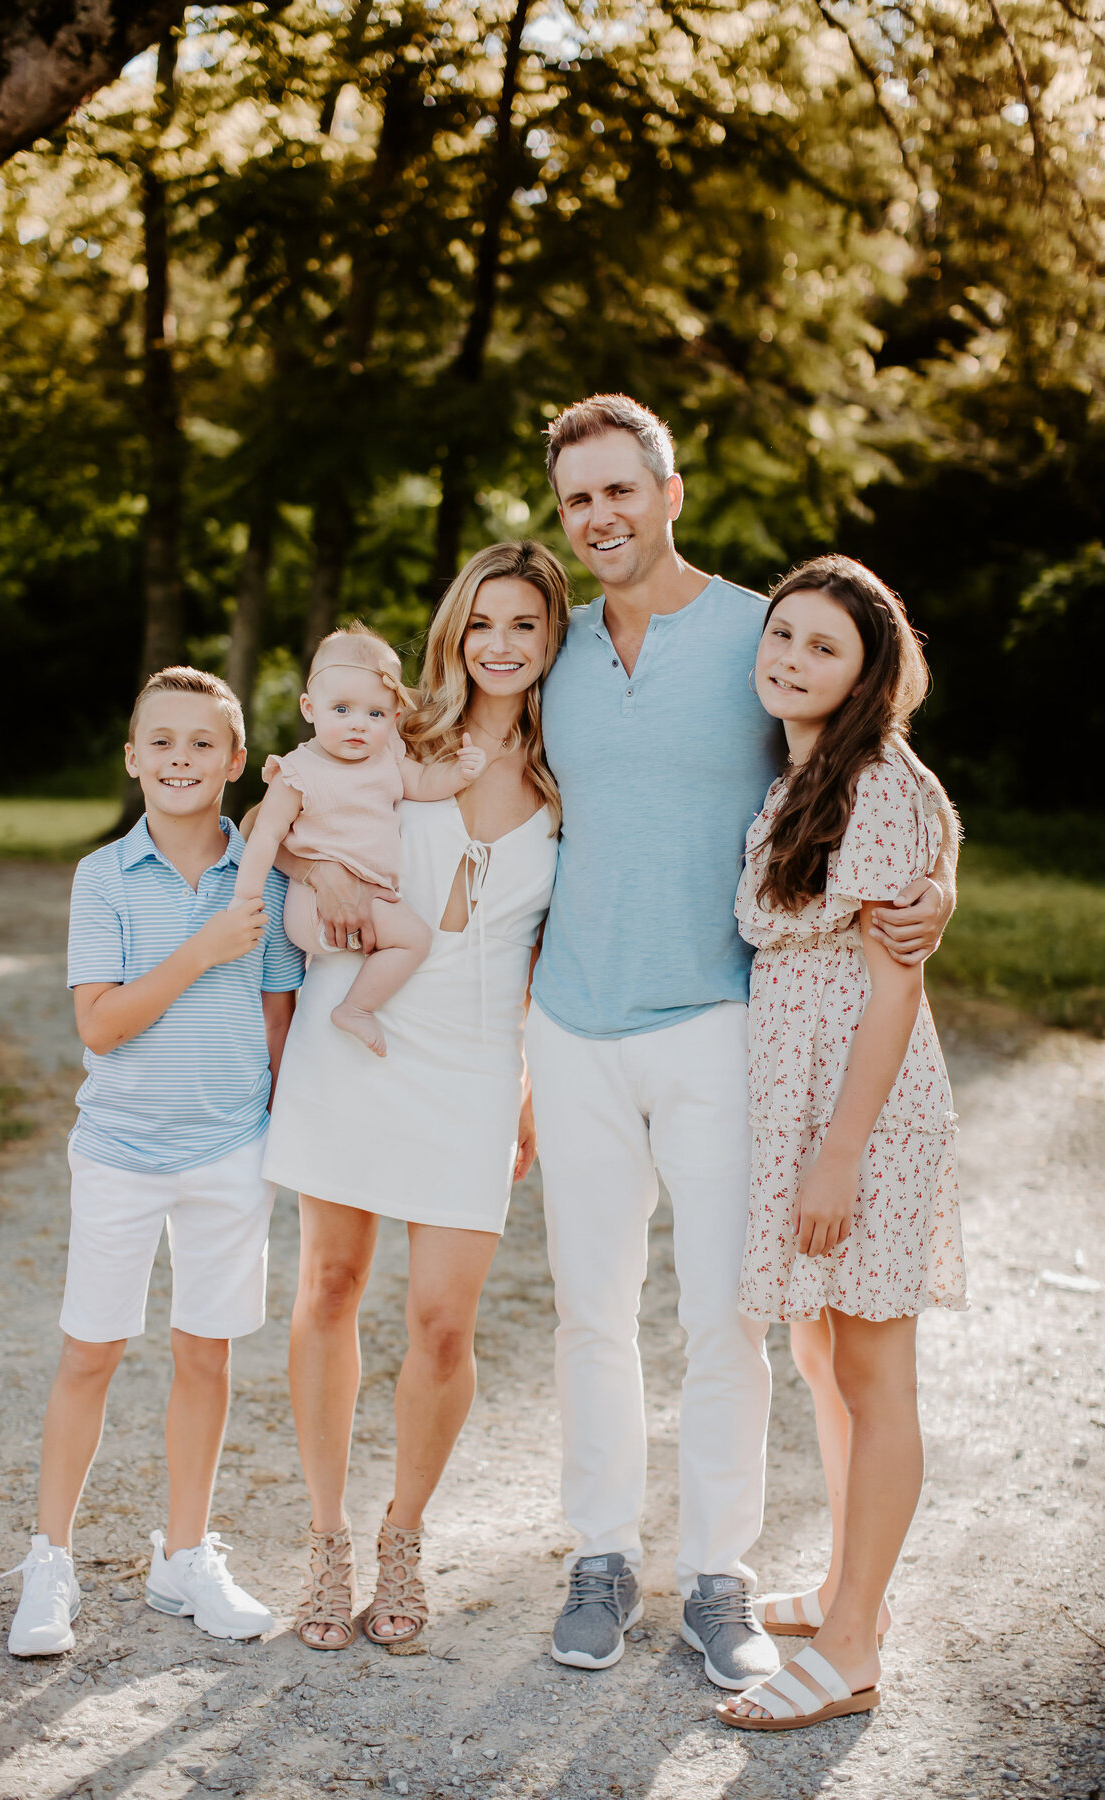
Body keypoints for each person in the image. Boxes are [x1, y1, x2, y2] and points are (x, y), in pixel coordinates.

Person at [524, 394, 958, 1683]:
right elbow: (466, 774)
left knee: (730, 1317)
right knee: (589, 1314)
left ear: (669, 491)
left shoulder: (755, 636)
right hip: (573, 1022)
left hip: (726, 1026)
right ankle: (599, 1554)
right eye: (575, 499)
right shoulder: (547, 648)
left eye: (619, 490)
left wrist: (940, 891)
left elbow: (876, 761)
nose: (599, 517)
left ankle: (720, 1574)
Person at [247, 540, 569, 1652]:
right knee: (330, 1283)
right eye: (483, 622)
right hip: (359, 1030)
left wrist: (531, 1078)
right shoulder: (395, 730)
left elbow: (553, 948)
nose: (500, 644)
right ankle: (328, 1540)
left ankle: (403, 1535)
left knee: (442, 1322)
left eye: (524, 623)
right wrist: (314, 872)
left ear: (552, 637)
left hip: (478, 1061)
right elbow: (279, 819)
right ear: (453, 631)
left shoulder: (572, 774)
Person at [6, 668, 303, 1657]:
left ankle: (183, 1557)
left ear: (230, 762)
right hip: (123, 1151)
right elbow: (102, 1022)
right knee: (91, 1349)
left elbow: (275, 1015)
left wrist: (274, 1120)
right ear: (134, 760)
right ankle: (51, 1560)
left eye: (200, 744)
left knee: (203, 1352)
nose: (180, 759)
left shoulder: (261, 876)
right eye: (160, 743)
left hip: (229, 1149)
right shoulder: (105, 877)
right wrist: (201, 949)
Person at [716, 556, 966, 1731]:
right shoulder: (806, 775)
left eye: (825, 647)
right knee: (822, 1360)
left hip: (860, 1112)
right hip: (800, 1101)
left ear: (870, 673)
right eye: (783, 635)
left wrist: (839, 1154)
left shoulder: (873, 784)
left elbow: (892, 992)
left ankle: (859, 1642)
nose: (792, 659)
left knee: (872, 1373)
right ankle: (838, 1589)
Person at [232, 627, 487, 1057]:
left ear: (393, 719)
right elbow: (265, 835)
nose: (358, 724)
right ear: (310, 709)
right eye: (342, 709)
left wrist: (460, 775)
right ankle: (356, 1008)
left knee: (406, 936)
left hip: (368, 894)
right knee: (415, 939)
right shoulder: (298, 771)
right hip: (316, 903)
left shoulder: (386, 758)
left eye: (375, 714)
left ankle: (354, 1000)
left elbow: (423, 782)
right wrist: (245, 901)